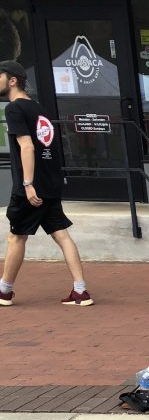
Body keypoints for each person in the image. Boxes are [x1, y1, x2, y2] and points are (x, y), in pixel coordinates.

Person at [1, 60, 93, 307]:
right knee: (61, 235)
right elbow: (49, 147)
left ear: (12, 80)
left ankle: (4, 292)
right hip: (51, 183)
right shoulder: (39, 109)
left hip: (32, 187)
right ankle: (80, 291)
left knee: (16, 237)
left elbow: (28, 146)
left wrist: (28, 184)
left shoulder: (14, 109)